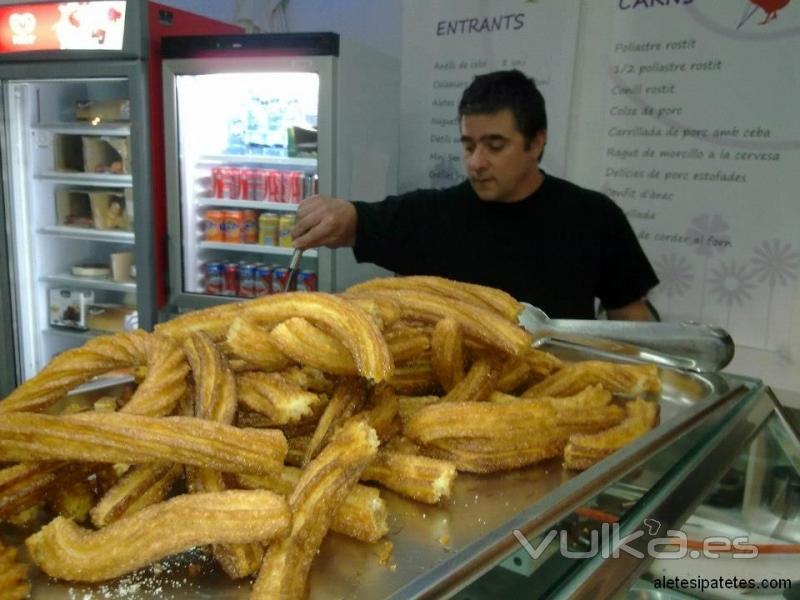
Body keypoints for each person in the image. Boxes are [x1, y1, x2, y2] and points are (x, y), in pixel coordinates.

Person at [292, 70, 658, 320]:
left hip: (558, 404)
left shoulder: (593, 217)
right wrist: (339, 214)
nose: (476, 162)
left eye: (495, 146)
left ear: (536, 142)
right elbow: (361, 221)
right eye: (469, 146)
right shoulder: (432, 215)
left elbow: (629, 316)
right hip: (451, 406)